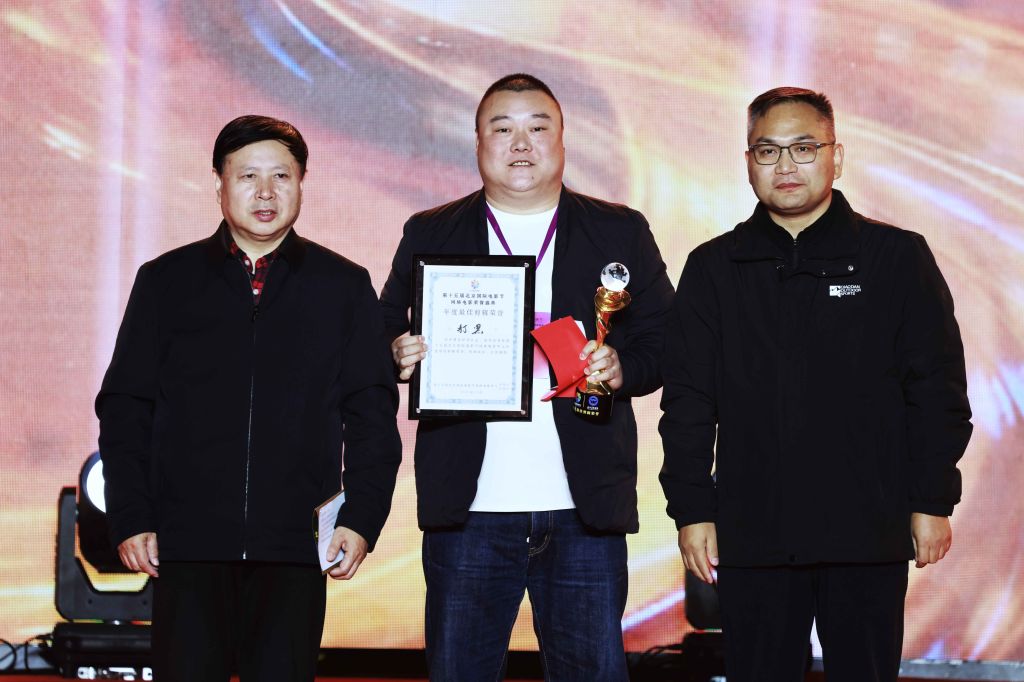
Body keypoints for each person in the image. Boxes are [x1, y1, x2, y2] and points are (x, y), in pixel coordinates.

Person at [658, 87, 973, 681]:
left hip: (868, 529)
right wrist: (692, 510)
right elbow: (689, 403)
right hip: (754, 532)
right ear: (748, 161)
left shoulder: (896, 258)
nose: (786, 165)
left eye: (804, 148)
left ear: (836, 156)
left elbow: (937, 392)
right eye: (768, 150)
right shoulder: (714, 267)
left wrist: (932, 500)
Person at [380, 73, 674, 681]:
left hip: (582, 508)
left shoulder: (619, 230)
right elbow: (378, 332)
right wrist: (395, 353)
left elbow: (667, 341)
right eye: (503, 128)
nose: (521, 143)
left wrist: (624, 368)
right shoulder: (430, 231)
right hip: (469, 510)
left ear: (563, 140)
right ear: (477, 142)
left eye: (538, 127)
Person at [96, 115, 402, 682]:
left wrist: (362, 518)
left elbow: (372, 417)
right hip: (187, 545)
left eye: (281, 176)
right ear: (219, 182)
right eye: (248, 176)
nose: (265, 192)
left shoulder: (342, 286)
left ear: (301, 183)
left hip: (294, 549)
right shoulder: (166, 281)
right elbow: (125, 408)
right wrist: (131, 516)